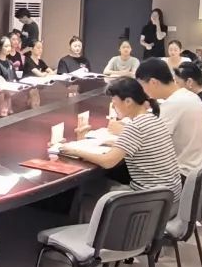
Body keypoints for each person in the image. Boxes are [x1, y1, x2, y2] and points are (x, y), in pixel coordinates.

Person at [60, 77, 182, 205]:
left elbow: (107, 162)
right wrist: (117, 144)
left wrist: (75, 151)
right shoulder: (152, 119)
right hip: (168, 197)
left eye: (114, 102)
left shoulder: (136, 126)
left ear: (128, 101)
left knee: (89, 186)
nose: (113, 106)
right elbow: (143, 145)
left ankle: (88, 219)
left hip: (150, 200)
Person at [135, 58, 202, 177]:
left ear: (153, 82)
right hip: (199, 171)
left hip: (182, 174)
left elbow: (153, 146)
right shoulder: (190, 95)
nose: (143, 92)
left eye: (142, 86)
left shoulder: (173, 104)